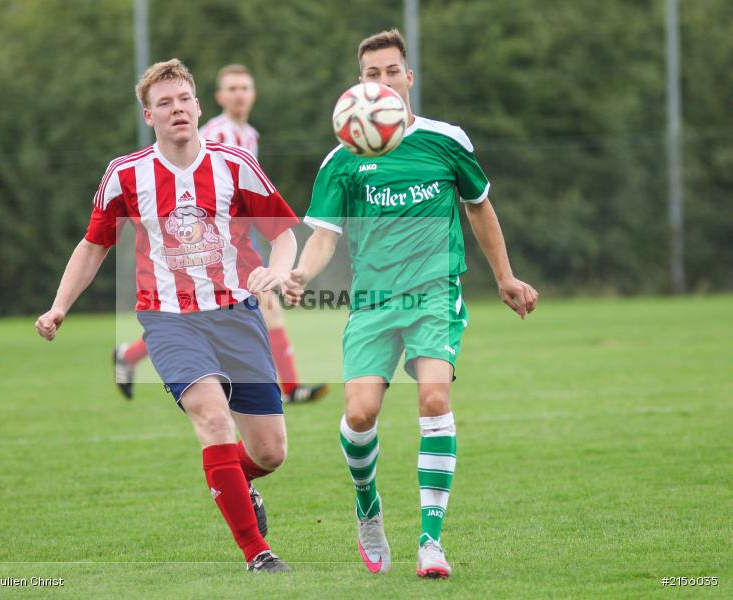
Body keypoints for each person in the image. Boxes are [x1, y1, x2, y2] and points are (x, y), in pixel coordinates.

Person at [284, 30, 538, 579]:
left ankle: (431, 542)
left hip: (434, 295)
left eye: (391, 71)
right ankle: (367, 507)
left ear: (409, 77)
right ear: (358, 84)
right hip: (372, 302)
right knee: (360, 414)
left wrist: (505, 276)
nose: (383, 81)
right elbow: (325, 234)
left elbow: (479, 207)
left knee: (433, 398)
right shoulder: (342, 159)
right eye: (371, 74)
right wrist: (303, 271)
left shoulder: (445, 140)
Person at [36, 58, 298, 572]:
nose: (176, 109)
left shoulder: (235, 164)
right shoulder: (125, 174)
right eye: (164, 103)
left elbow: (284, 233)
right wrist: (59, 306)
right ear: (148, 115)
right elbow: (94, 245)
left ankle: (235, 480)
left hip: (236, 314)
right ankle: (258, 553)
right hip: (169, 320)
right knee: (212, 416)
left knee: (270, 452)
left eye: (183, 100)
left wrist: (278, 271)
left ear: (198, 107)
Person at [114, 64, 329, 405]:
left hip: (242, 234)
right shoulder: (214, 132)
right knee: (241, 307)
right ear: (218, 97)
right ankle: (290, 387)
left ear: (253, 94)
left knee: (262, 305)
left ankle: (128, 355)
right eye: (232, 89)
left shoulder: (250, 134)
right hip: (211, 240)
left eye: (244, 88)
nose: (239, 95)